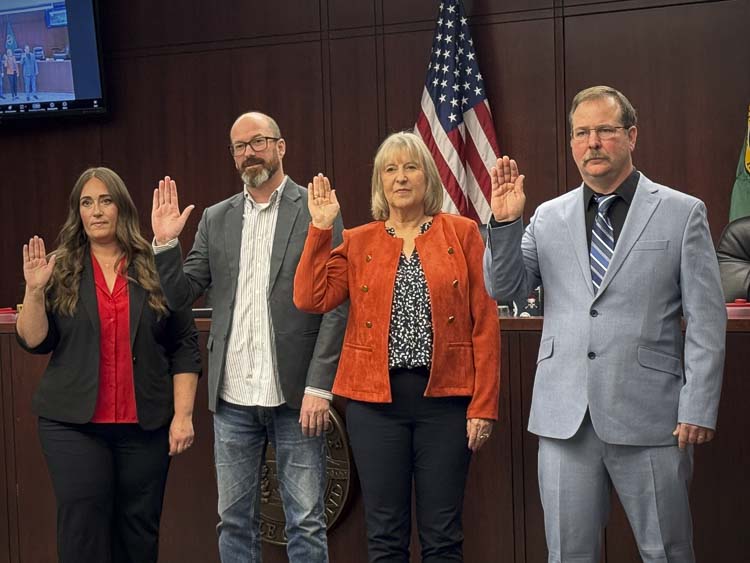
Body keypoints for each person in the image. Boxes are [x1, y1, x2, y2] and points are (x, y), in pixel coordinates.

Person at [484, 85, 726, 562]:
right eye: (582, 133)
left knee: (667, 552)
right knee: (568, 555)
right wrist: (506, 223)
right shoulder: (547, 217)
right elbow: (505, 289)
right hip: (564, 418)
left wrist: (697, 405)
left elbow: (706, 319)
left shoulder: (682, 212)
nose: (592, 142)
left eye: (605, 130)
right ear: (572, 143)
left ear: (631, 136)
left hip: (652, 418)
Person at [294, 131, 500, 562]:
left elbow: (485, 321)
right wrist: (319, 228)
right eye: (390, 169)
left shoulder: (461, 233)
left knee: (443, 535)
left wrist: (483, 405)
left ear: (428, 178)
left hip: (445, 403)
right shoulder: (357, 240)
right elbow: (310, 298)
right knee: (385, 536)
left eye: (410, 168)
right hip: (375, 407)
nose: (400, 178)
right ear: (379, 182)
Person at [150, 111, 347, 563]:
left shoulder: (316, 210)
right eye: (239, 146)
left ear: (281, 147)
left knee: (306, 521)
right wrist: (164, 245)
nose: (248, 153)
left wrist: (320, 386)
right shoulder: (216, 219)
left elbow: (337, 305)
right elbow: (180, 294)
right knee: (235, 521)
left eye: (257, 142)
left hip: (296, 397)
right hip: (233, 398)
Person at [16, 167, 201, 563]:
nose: (96, 211)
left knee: (138, 532)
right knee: (83, 528)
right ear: (77, 212)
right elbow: (33, 340)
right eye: (86, 202)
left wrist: (183, 415)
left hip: (145, 426)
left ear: (122, 207)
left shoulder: (155, 263)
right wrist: (33, 291)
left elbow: (184, 343)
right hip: (72, 426)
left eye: (105, 200)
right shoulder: (59, 267)